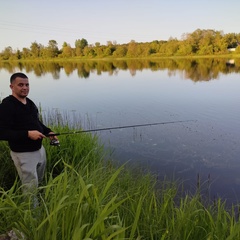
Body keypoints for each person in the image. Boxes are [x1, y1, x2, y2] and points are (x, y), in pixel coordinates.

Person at [0, 72, 58, 197]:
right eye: (20, 85)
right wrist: (27, 134)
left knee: (40, 183)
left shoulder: (30, 103)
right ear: (11, 87)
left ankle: (42, 206)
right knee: (30, 189)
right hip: (24, 155)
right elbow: (2, 133)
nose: (25, 87)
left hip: (40, 151)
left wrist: (48, 131)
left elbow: (37, 123)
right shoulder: (7, 106)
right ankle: (33, 215)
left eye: (27, 84)